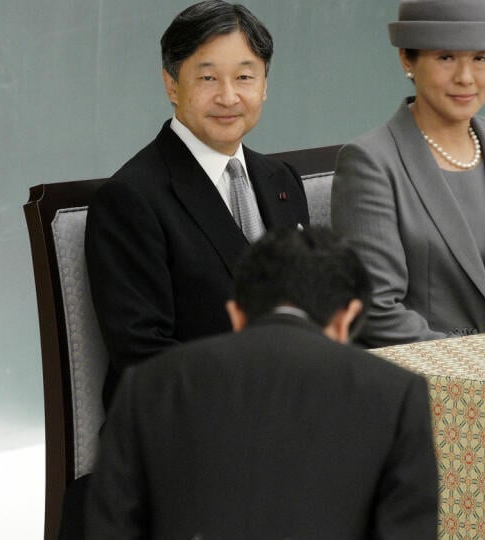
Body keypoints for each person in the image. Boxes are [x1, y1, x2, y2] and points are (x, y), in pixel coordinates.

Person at [85, 227, 439, 539]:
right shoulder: (397, 394)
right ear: (346, 318)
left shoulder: (146, 385)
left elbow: (111, 527)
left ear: (237, 315)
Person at [85, 0, 310, 407]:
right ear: (172, 84)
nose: (228, 96)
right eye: (208, 78)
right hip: (182, 428)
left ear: (264, 85)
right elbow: (143, 357)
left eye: (244, 77)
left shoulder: (283, 181)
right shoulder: (130, 199)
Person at [331, 0, 485, 348]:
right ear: (407, 59)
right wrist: (481, 371)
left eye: (480, 57)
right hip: (424, 384)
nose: (465, 78)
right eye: (446, 58)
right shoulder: (370, 161)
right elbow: (377, 311)